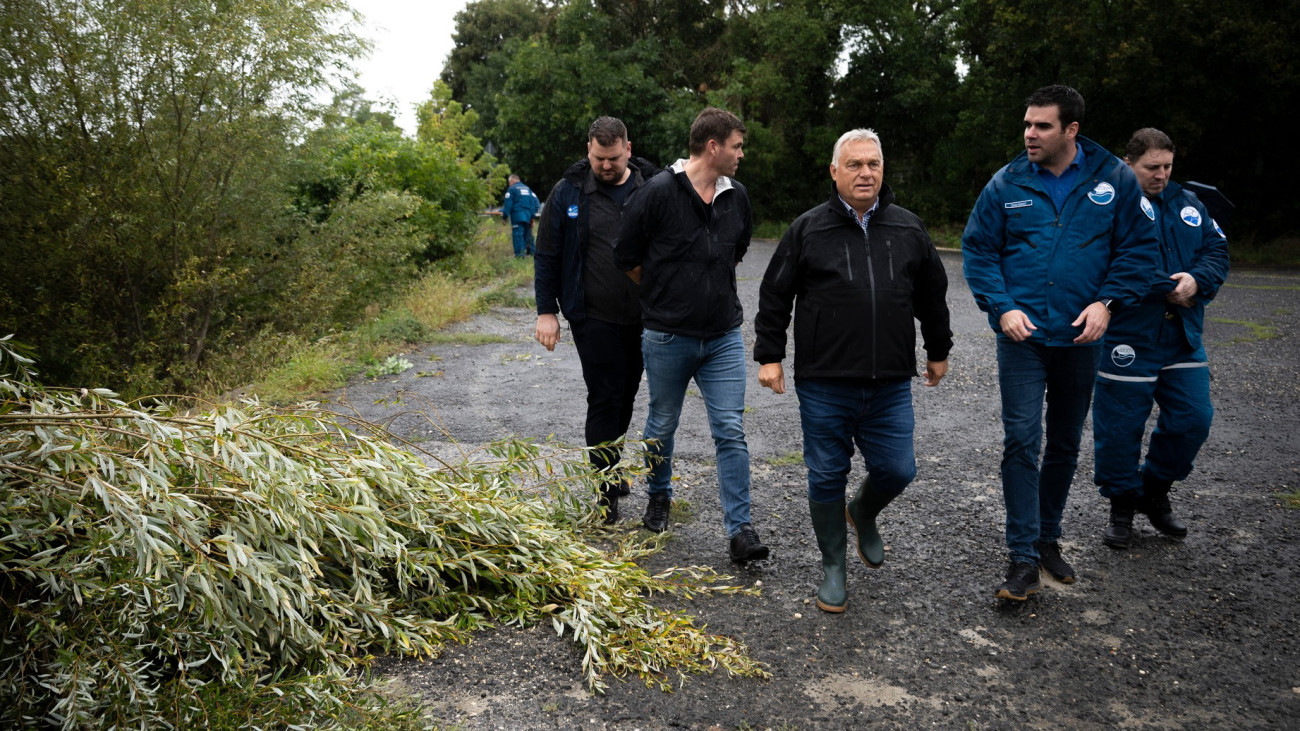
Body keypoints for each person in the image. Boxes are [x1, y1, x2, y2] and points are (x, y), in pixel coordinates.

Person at [961, 85, 1160, 601]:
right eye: (1027, 124)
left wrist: (1107, 303)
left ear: (1071, 130)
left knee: (1065, 443)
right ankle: (1022, 556)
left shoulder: (1114, 178)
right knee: (1022, 440)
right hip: (1022, 339)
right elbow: (978, 251)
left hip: (1080, 338)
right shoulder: (1005, 183)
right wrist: (1002, 307)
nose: (1030, 133)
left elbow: (1138, 249)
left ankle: (1048, 537)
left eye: (1042, 125)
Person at [754, 129, 952, 612]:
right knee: (826, 474)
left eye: (874, 165)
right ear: (834, 171)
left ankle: (862, 511)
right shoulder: (807, 229)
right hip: (825, 381)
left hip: (889, 381)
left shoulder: (908, 228)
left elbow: (932, 294)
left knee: (898, 469)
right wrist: (769, 354)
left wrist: (938, 348)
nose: (866, 173)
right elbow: (775, 294)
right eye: (855, 165)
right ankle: (833, 566)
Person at [613, 107, 769, 562]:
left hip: (722, 336)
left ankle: (740, 530)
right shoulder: (657, 192)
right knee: (662, 424)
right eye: (737, 146)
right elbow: (626, 255)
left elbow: (735, 252)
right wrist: (665, 295)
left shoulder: (736, 196)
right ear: (713, 146)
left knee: (731, 430)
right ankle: (658, 495)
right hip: (667, 336)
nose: (741, 154)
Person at [1093, 128, 1230, 548]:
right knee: (1119, 428)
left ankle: (1152, 491)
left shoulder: (1190, 202)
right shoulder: (1106, 202)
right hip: (1127, 334)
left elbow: (1217, 251)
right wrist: (1163, 284)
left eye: (1167, 166)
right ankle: (1121, 506)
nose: (1161, 175)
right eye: (1152, 167)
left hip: (1182, 333)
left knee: (1194, 419)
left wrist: (1195, 280)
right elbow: (1104, 258)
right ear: (1129, 163)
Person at [534, 116, 660, 524]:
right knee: (604, 396)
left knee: (625, 394)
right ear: (588, 150)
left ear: (628, 147)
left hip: (645, 316)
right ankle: (605, 489)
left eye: (612, 158)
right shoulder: (569, 191)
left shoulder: (652, 187)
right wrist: (546, 310)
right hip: (593, 315)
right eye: (597, 158)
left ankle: (611, 463)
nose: (605, 166)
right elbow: (548, 252)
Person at [501, 173, 540, 257]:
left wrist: (504, 216)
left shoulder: (512, 189)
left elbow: (508, 204)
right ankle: (532, 253)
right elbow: (536, 204)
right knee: (528, 235)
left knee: (518, 235)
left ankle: (519, 255)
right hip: (528, 216)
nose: (509, 184)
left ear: (512, 181)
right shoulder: (528, 189)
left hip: (517, 216)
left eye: (509, 182)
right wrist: (532, 217)